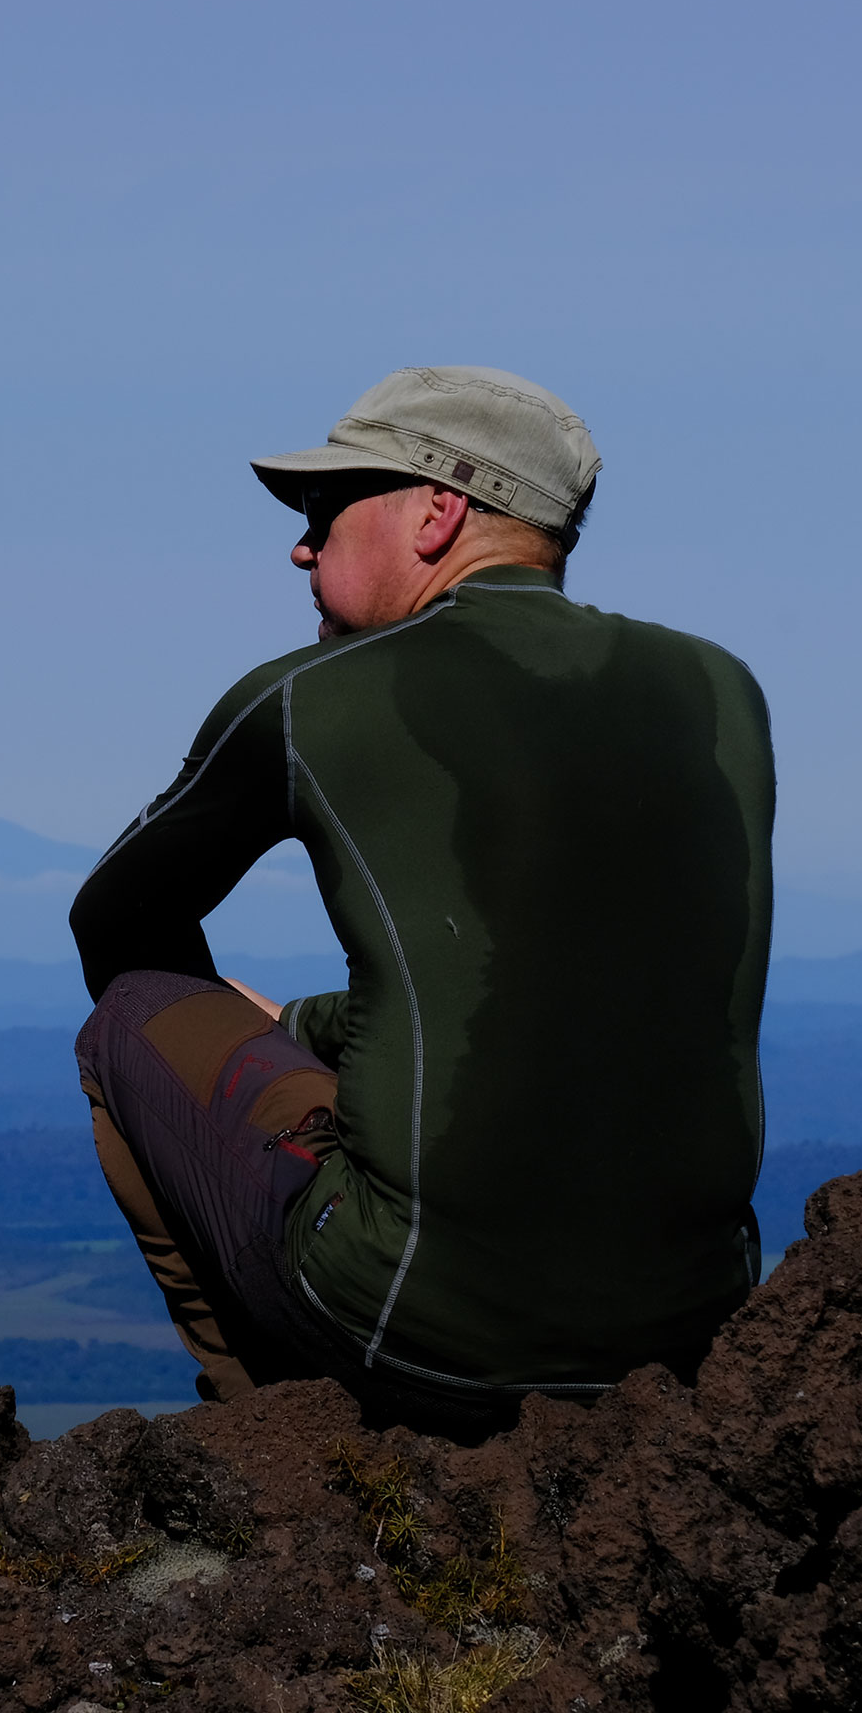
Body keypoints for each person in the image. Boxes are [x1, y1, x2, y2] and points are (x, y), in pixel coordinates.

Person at [68, 368, 774, 1440]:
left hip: (412, 1335)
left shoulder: (310, 698)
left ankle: (275, 1443)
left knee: (129, 1015)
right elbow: (558, 995)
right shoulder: (725, 691)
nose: (301, 548)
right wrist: (306, 1024)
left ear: (438, 509)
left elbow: (116, 931)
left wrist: (269, 1045)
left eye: (323, 510)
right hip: (687, 1341)